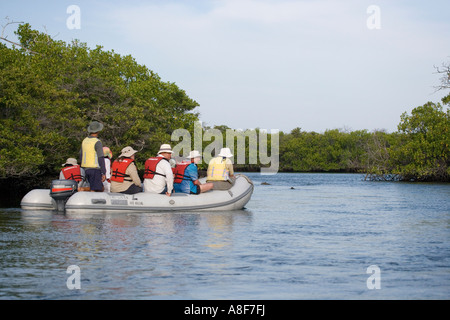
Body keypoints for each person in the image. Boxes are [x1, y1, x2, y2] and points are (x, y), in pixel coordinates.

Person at [79, 121, 106, 192]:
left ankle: (82, 191)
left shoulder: (84, 141)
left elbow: (81, 155)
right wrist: (103, 172)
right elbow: (100, 157)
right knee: (96, 189)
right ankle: (81, 190)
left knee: (95, 187)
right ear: (98, 131)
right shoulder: (97, 142)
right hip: (95, 169)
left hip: (86, 169)